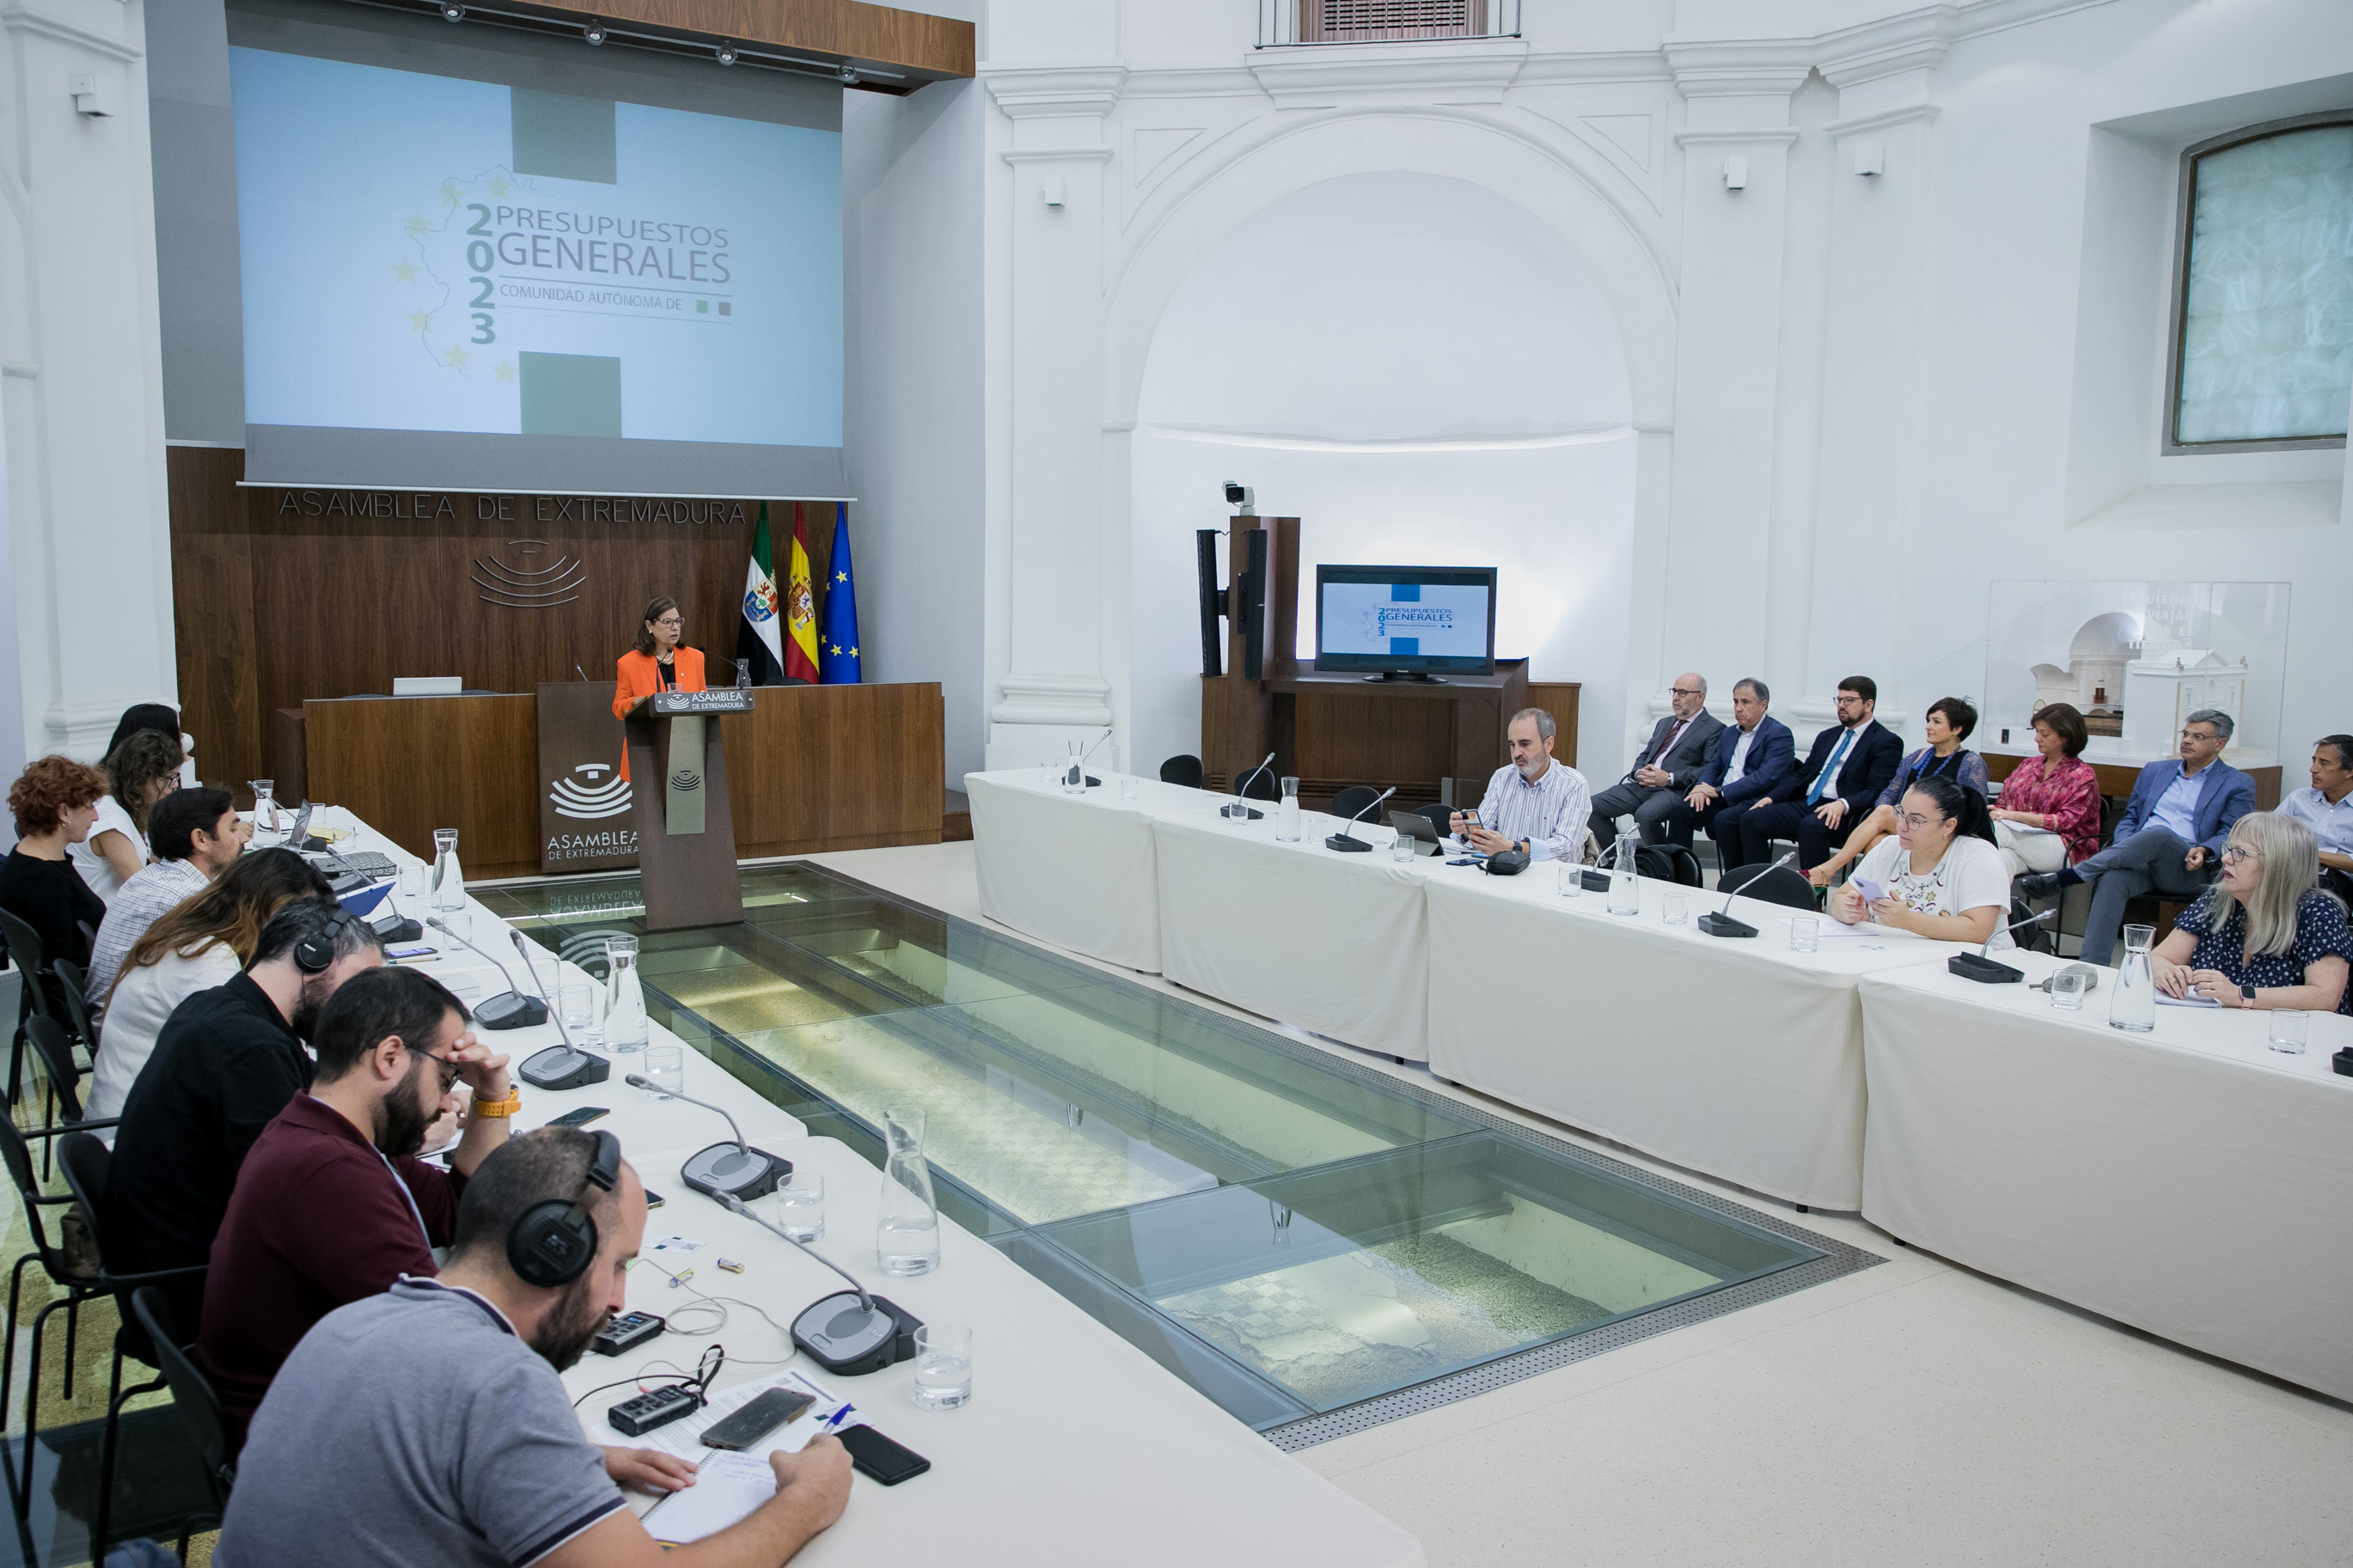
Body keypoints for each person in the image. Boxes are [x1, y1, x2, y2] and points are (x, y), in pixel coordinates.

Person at [217, 1128, 854, 1568]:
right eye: (619, 1264)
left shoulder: (352, 1324)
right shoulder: (499, 1384)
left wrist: (577, 1460)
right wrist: (806, 1501)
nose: (620, 1301)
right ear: (555, 1250)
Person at [198, 967, 515, 1453]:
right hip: (308, 1450)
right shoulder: (328, 1175)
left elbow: (462, 1211)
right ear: (390, 1057)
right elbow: (442, 1345)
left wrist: (493, 1097)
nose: (448, 1103)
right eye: (447, 1078)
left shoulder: (324, 1132)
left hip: (312, 1409)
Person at [101, 896, 383, 1336]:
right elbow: (299, 1192)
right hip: (197, 1293)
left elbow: (317, 1098)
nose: (360, 1007)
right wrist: (411, 1135)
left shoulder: (222, 1007)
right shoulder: (250, 1050)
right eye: (359, 984)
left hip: (167, 1266)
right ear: (315, 958)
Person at [89, 849, 333, 1132]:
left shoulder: (193, 932)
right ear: (267, 909)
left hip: (133, 1108)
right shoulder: (208, 963)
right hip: (132, 1128)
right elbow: (251, 1057)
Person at [2017, 709, 2255, 966]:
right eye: (2185, 734)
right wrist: (2124, 848)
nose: (2186, 741)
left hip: (2188, 867)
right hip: (2140, 859)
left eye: (2197, 736)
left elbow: (2232, 833)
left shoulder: (2237, 783)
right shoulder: (2155, 771)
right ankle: (2090, 966)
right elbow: (2130, 818)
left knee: (2160, 834)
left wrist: (2206, 850)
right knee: (2113, 878)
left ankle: (2070, 876)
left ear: (2219, 743)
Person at [2152, 813, 2350, 1016]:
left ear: (2277, 864)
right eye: (2228, 849)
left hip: (2291, 1039)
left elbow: (2325, 997)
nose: (2226, 859)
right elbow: (2159, 957)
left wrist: (2240, 995)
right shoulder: (2219, 897)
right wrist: (2165, 972)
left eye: (2239, 853)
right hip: (2217, 1030)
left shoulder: (2319, 910)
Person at [85, 787, 249, 1009]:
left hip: (117, 1018)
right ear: (201, 839)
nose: (242, 837)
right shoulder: (188, 899)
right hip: (134, 1028)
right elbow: (232, 971)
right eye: (233, 829)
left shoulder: (149, 876)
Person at [1806, 697, 1989, 888]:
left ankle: (1830, 868)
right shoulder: (1917, 757)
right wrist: (1898, 818)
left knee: (1884, 813)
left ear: (1957, 729)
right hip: (1907, 823)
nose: (1928, 726)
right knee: (1877, 840)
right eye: (1928, 721)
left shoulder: (1971, 763)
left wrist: (1894, 816)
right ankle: (1870, 901)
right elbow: (1889, 792)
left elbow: (1974, 810)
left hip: (1939, 827)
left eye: (1936, 722)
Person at [1727, 677, 1903, 872]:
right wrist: (1771, 797)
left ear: (1868, 704)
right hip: (1809, 803)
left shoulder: (1886, 741)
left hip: (1844, 812)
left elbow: (1875, 789)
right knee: (1751, 819)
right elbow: (1802, 775)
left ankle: (1813, 897)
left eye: (1849, 701)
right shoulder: (1828, 736)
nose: (1842, 706)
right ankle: (1760, 886)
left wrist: (1843, 804)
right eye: (1839, 700)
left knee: (1811, 827)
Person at [1827, 775, 2013, 946]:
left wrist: (1907, 920)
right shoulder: (1890, 847)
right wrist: (1847, 909)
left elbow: (1979, 931)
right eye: (1900, 814)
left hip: (1972, 969)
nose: (1902, 826)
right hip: (1897, 956)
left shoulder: (1977, 856)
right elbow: (1841, 896)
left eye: (1915, 820)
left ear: (1948, 825)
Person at [0, 755, 111, 1024]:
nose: (95, 817)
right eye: (88, 807)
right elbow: (64, 964)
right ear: (63, 812)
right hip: (79, 1000)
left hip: (66, 990)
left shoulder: (26, 857)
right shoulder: (45, 879)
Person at [1586, 674, 1725, 846]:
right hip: (1641, 786)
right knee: (1590, 807)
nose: (1675, 698)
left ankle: (1663, 864)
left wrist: (1668, 778)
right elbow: (1645, 755)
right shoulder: (1665, 723)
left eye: (1682, 693)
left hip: (1673, 791)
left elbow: (1707, 770)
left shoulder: (1714, 728)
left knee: (1645, 816)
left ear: (1700, 697)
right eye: (1673, 692)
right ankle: (1620, 859)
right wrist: (1638, 772)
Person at [1667, 678, 1794, 851]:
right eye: (1735, 702)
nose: (1738, 708)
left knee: (1724, 819)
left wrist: (1719, 791)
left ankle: (1734, 877)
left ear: (1762, 705)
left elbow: (1765, 777)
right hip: (1722, 796)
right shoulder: (1729, 733)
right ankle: (1680, 874)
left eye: (1745, 702)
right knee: (1681, 810)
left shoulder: (1778, 734)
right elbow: (1714, 766)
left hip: (1753, 798)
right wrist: (1700, 788)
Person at [1451, 708, 1591, 862]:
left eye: (1525, 744)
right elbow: (1485, 833)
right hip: (1504, 874)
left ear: (1548, 744)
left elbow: (1564, 847)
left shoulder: (1574, 784)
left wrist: (1511, 847)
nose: (1517, 753)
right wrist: (1466, 831)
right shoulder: (1501, 777)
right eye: (1512, 744)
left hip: (1551, 879)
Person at [68, 729, 186, 903]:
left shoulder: (126, 808)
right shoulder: (109, 819)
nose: (174, 786)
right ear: (142, 777)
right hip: (106, 921)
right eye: (170, 777)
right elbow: (140, 884)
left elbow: (150, 861)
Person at [1987, 703, 2103, 876]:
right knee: (1997, 862)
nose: (2037, 738)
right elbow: (2003, 802)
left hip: (2066, 846)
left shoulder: (2082, 775)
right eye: (2037, 732)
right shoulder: (2028, 765)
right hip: (2022, 841)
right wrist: (2002, 813)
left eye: (2045, 734)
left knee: (1997, 832)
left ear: (2066, 737)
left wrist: (2014, 816)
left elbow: (2065, 821)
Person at [611, 595, 706, 784]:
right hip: (648, 745)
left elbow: (702, 696)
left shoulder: (695, 657)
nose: (675, 627)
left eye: (678, 621)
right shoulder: (629, 663)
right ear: (649, 626)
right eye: (667, 622)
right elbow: (618, 707)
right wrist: (635, 702)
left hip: (687, 746)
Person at [2276, 735, 2353, 898]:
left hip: (2340, 881)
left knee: (2313, 888)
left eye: (2324, 763)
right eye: (2314, 761)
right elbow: (2269, 833)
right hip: (2292, 870)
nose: (2313, 769)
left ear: (2349, 771)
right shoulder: (2299, 798)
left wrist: (2312, 856)